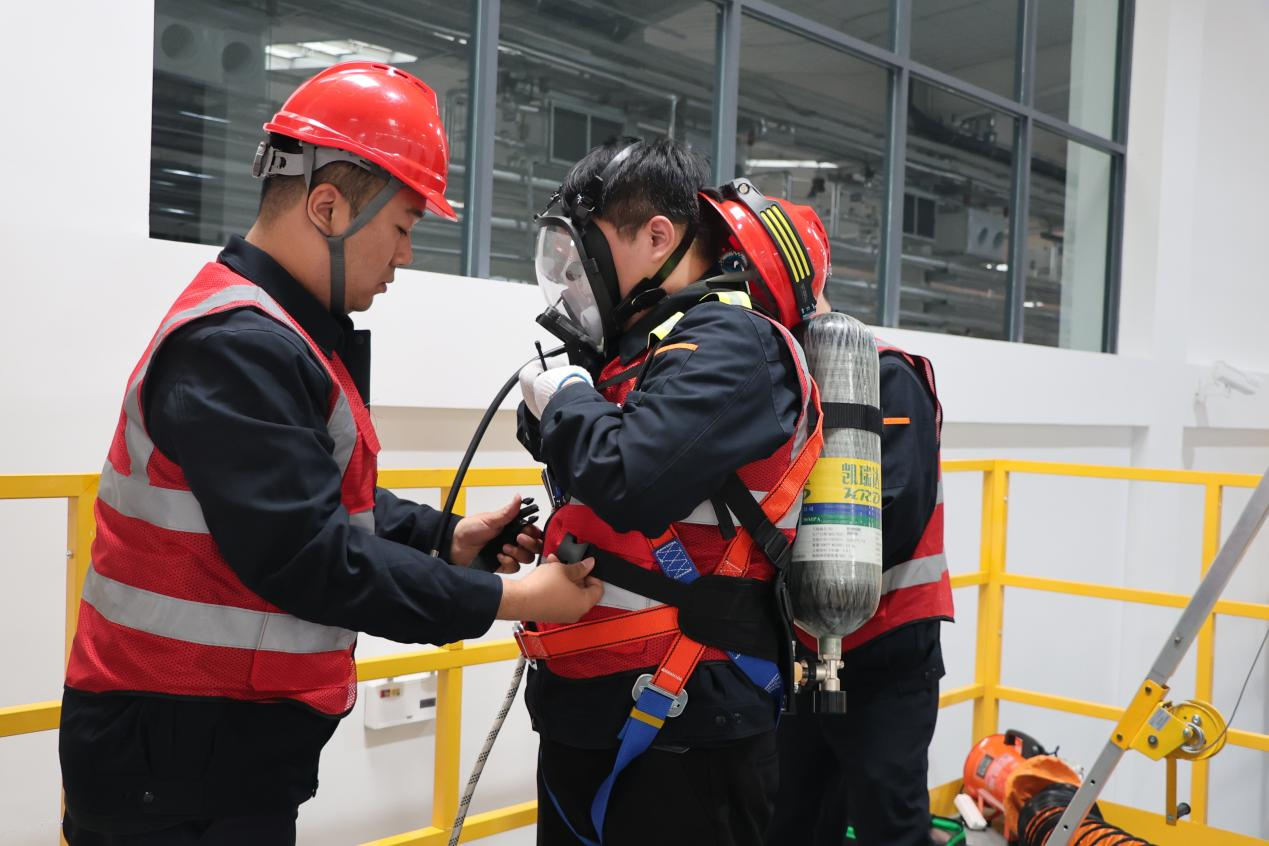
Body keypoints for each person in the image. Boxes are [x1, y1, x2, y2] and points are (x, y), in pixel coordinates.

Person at [59, 62, 602, 846]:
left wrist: (443, 538)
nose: (405, 255)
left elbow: (318, 499)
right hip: (171, 766)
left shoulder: (280, 334)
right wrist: (514, 598)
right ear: (327, 207)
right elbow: (307, 555)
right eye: (402, 227)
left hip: (205, 751)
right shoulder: (237, 345)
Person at [512, 137, 833, 846]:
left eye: (585, 252)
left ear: (658, 237)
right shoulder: (640, 350)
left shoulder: (736, 344)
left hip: (687, 727)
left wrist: (566, 396)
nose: (571, 279)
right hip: (588, 711)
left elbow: (631, 477)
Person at [766, 290, 952, 846]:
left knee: (888, 823)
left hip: (888, 648)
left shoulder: (885, 374)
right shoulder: (780, 377)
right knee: (787, 820)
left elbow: (896, 508)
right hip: (796, 647)